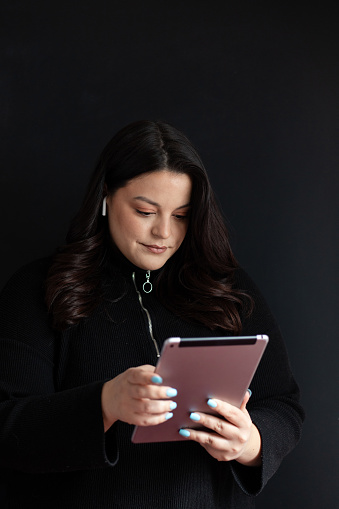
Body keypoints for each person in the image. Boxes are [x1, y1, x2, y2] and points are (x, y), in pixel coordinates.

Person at [0, 120, 304, 508]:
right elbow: (7, 427)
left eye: (181, 215)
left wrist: (250, 442)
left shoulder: (228, 287)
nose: (164, 233)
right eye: (146, 211)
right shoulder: (37, 288)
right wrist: (105, 404)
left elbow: (283, 404)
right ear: (106, 196)